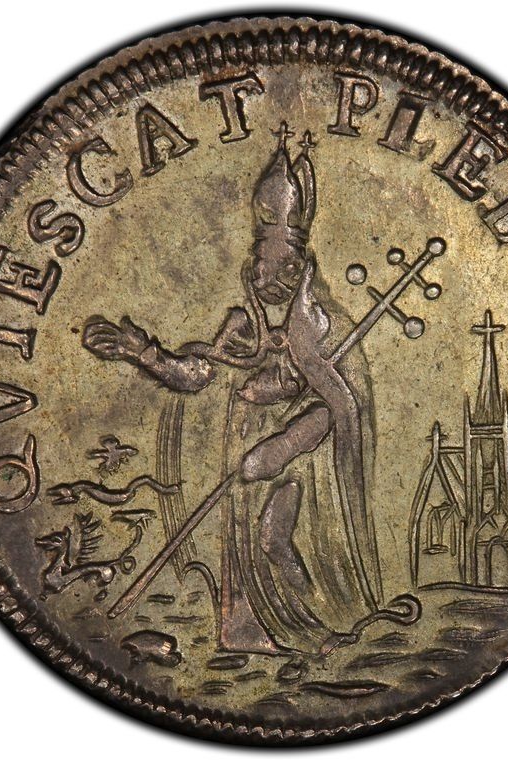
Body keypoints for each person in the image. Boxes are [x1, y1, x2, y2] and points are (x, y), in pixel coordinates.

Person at [83, 124, 385, 655]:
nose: (275, 278)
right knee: (255, 542)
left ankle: (323, 622)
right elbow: (197, 374)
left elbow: (342, 404)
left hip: (303, 461)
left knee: (276, 537)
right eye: (267, 266)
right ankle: (258, 633)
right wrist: (143, 352)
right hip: (246, 448)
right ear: (253, 263)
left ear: (302, 269)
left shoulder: (323, 328)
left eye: (288, 268)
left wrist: (286, 444)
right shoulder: (241, 325)